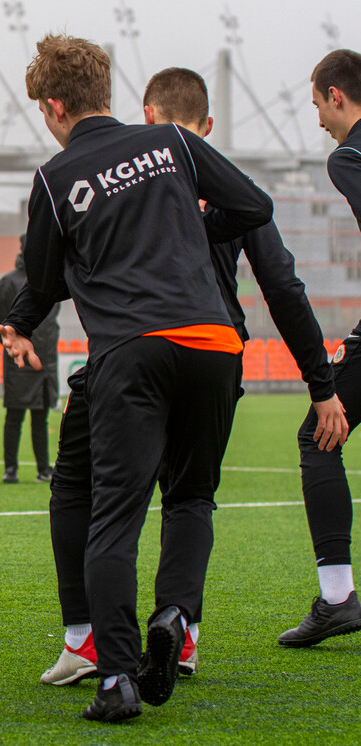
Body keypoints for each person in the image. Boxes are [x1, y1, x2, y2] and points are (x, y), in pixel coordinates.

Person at [3, 67, 348, 689]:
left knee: (94, 500)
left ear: (149, 115)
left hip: (128, 352)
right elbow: (283, 286)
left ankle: (96, 654)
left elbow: (48, 275)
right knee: (191, 498)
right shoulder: (183, 156)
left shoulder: (93, 168)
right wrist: (320, 384)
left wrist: (20, 319)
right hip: (216, 347)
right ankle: (179, 627)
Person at [277, 48, 361, 647]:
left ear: (336, 95)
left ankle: (338, 599)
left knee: (318, 434)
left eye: (317, 105)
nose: (320, 120)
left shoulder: (349, 155)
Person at [0, 238, 59, 484]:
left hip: (46, 359)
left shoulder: (53, 279)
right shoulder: (9, 282)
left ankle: (43, 468)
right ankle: (11, 469)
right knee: (15, 415)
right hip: (17, 360)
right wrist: (12, 348)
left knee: (41, 416)